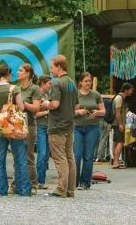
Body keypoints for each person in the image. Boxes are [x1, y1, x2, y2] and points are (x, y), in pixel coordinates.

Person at [0, 64, 31, 196]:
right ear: (8, 74)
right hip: (14, 127)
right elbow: (21, 107)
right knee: (20, 157)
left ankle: (0, 189)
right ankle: (23, 189)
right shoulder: (14, 88)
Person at [45, 55, 79, 198]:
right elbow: (77, 106)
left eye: (52, 67)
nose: (51, 70)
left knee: (60, 158)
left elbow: (55, 104)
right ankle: (70, 190)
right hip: (69, 125)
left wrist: (46, 103)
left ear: (59, 67)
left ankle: (61, 189)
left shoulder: (57, 83)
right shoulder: (72, 83)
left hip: (57, 126)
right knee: (69, 157)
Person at [10, 63, 41, 195]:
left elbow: (36, 108)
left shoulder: (34, 89)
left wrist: (24, 104)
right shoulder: (16, 88)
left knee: (28, 156)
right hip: (17, 126)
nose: (18, 72)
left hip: (29, 125)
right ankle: (16, 184)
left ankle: (33, 184)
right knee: (17, 156)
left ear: (28, 73)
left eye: (20, 70)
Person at [73, 72, 105, 190]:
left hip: (92, 127)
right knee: (76, 155)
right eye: (86, 81)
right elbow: (70, 111)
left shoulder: (95, 95)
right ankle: (74, 180)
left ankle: (85, 182)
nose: (88, 83)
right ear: (80, 82)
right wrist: (78, 112)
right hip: (77, 127)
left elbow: (103, 111)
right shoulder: (76, 95)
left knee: (88, 156)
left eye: (89, 81)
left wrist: (98, 113)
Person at [111, 82, 135, 169]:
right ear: (127, 90)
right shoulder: (119, 98)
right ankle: (116, 162)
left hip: (115, 123)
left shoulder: (120, 98)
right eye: (131, 90)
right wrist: (120, 124)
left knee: (115, 142)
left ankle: (115, 160)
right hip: (117, 124)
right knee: (120, 142)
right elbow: (118, 113)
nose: (132, 92)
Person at [35, 75, 52, 190]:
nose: (51, 85)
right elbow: (35, 114)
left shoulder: (47, 96)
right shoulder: (37, 95)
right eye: (49, 83)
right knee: (41, 154)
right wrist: (47, 112)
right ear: (42, 84)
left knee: (46, 155)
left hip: (48, 127)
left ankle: (42, 179)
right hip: (40, 126)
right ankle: (38, 181)